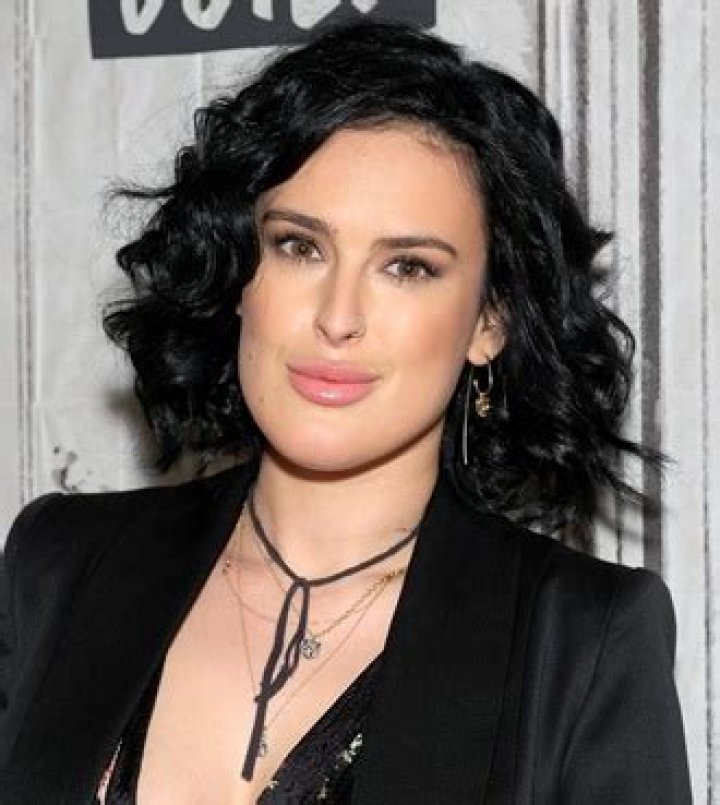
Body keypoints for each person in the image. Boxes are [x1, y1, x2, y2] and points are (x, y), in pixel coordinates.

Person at [0, 20, 692, 805]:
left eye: (407, 267)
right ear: (238, 271)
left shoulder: (580, 641)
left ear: (489, 320)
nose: (338, 316)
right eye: (300, 247)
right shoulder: (61, 567)